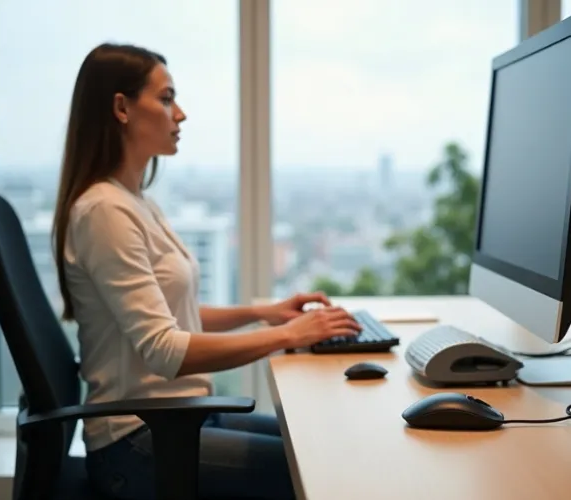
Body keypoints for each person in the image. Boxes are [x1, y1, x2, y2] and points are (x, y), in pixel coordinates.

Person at [51, 43, 362, 500]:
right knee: (316, 472)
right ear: (122, 108)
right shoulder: (105, 212)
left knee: (321, 445)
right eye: (166, 99)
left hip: (179, 419)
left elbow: (177, 317)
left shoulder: (135, 202)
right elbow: (165, 350)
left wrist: (265, 314)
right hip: (136, 443)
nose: (180, 114)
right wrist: (288, 335)